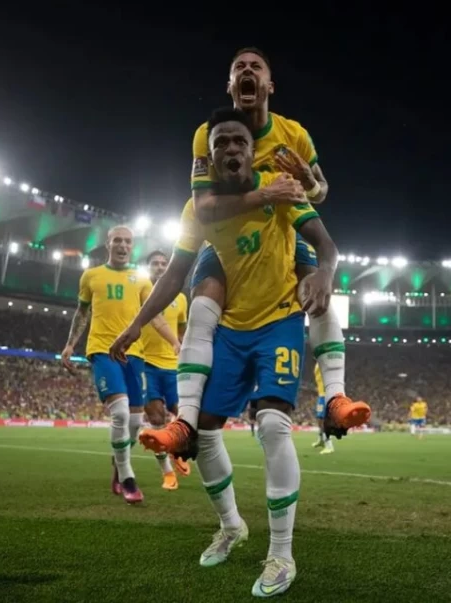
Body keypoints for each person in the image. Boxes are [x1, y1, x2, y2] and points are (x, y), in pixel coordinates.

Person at [110, 107, 339, 597]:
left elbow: (324, 240)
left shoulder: (279, 185)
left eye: (239, 142)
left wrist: (323, 271)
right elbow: (174, 275)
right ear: (208, 158)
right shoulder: (198, 211)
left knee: (274, 424)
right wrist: (132, 327)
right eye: (221, 145)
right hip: (231, 330)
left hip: (278, 319)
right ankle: (232, 526)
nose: (231, 149)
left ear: (250, 150)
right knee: (205, 436)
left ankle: (281, 554)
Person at [139, 47, 369, 460]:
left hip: (281, 226)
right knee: (203, 297)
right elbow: (204, 207)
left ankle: (335, 397)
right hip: (224, 236)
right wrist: (264, 192)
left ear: (269, 85)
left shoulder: (294, 133)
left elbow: (321, 192)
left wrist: (307, 184)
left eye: (255, 67)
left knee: (312, 284)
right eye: (238, 68)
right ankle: (186, 421)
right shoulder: (204, 134)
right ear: (230, 86)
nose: (247, 72)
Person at [60, 225, 180, 505]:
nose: (123, 245)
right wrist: (70, 344)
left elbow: (156, 317)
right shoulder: (91, 276)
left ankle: (117, 465)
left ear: (132, 246)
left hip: (135, 354)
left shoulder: (141, 280)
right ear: (108, 244)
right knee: (122, 414)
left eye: (127, 241)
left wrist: (175, 342)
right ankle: (127, 476)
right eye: (117, 241)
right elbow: (82, 313)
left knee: (136, 420)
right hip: (102, 350)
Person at [140, 250, 191, 489]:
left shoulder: (180, 298)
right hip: (145, 363)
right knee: (156, 418)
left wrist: (182, 351)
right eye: (154, 264)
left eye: (164, 263)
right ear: (148, 268)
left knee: (183, 415)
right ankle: (167, 473)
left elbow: (182, 330)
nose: (160, 267)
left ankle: (177, 451)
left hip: (172, 367)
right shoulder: (139, 293)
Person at [311, 366, 334, 454]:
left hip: (326, 395)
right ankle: (321, 440)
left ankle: (329, 445)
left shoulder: (325, 362)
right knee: (319, 419)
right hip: (321, 396)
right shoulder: (317, 364)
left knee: (324, 420)